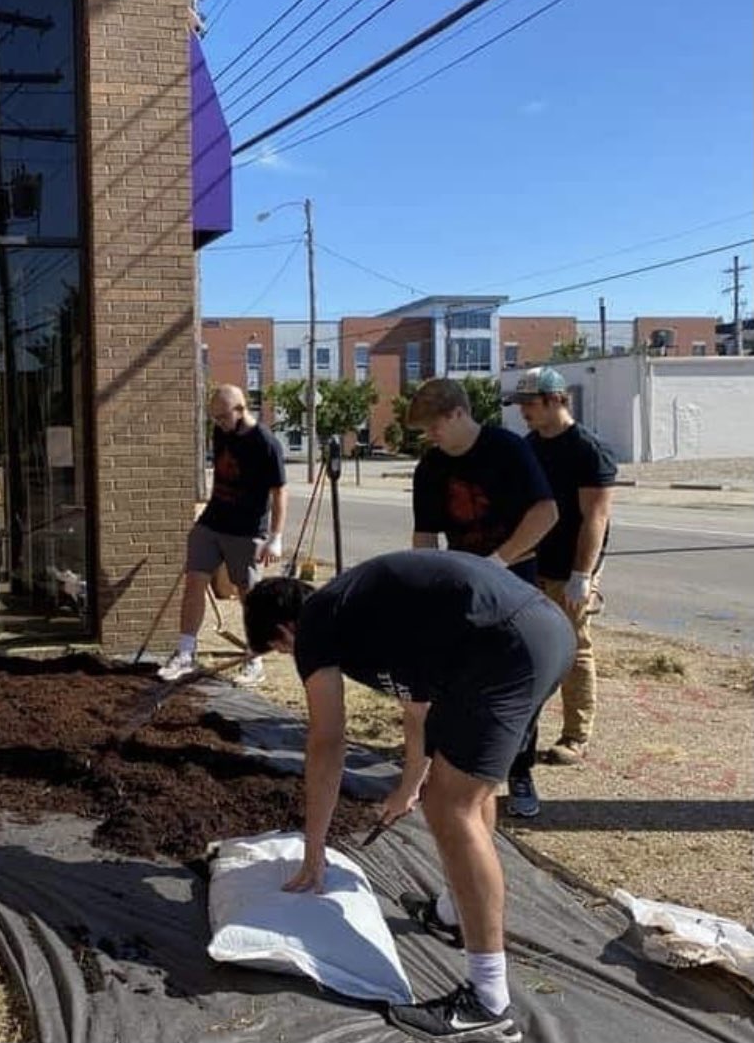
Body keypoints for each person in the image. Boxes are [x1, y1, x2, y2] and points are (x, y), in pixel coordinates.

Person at [243, 551, 575, 1043]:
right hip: (541, 634)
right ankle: (453, 912)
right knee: (467, 787)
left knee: (450, 804)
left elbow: (326, 741)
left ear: (284, 631)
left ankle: (488, 1001)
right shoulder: (374, 617)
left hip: (504, 644)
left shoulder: (318, 622)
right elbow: (420, 713)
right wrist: (406, 787)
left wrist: (314, 851)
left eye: (281, 651)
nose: (294, 659)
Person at [407, 377, 558, 819]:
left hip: (516, 581)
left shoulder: (507, 450)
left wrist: (498, 560)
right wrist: (427, 585)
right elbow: (424, 533)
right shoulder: (431, 468)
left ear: (457, 414)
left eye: (434, 427)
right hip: (463, 586)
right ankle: (453, 768)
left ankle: (520, 770)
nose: (430, 436)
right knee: (458, 680)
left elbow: (546, 512)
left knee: (517, 682)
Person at [508, 366, 618, 765]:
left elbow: (596, 518)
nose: (524, 412)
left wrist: (581, 576)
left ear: (556, 400)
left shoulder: (588, 450)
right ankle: (519, 729)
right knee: (525, 647)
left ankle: (575, 735)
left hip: (571, 566)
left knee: (574, 648)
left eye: (530, 404)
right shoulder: (529, 446)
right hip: (531, 562)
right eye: (520, 405)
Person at [157, 384, 286, 686]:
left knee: (249, 597)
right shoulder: (222, 432)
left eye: (223, 417)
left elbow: (280, 491)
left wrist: (276, 537)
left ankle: (254, 661)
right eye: (214, 418)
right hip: (212, 522)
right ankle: (186, 653)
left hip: (247, 530)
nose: (219, 424)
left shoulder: (265, 443)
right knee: (194, 583)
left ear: (241, 410)